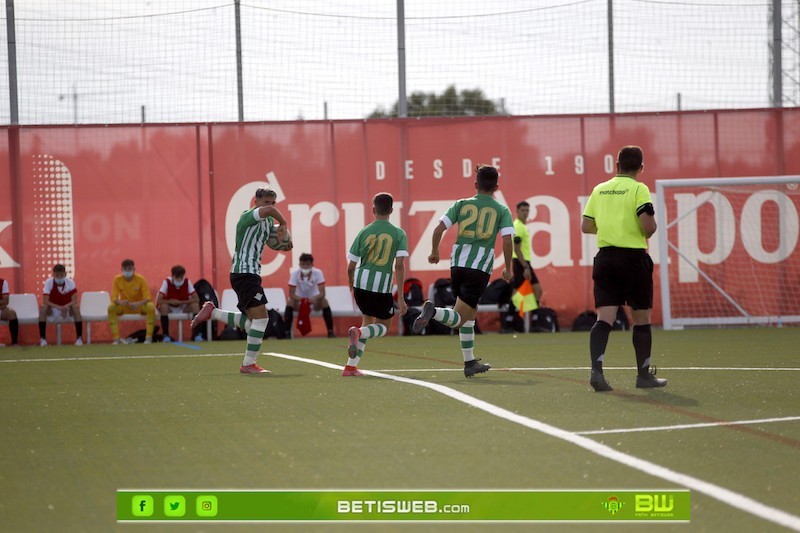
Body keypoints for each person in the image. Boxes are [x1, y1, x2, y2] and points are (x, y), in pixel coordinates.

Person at [412, 165, 514, 377]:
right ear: (497, 187)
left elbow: (439, 228)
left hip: (457, 265)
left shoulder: (461, 204)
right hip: (478, 268)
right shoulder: (501, 210)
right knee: (459, 317)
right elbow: (506, 241)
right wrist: (508, 267)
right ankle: (434, 312)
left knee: (471, 312)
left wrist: (434, 251)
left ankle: (469, 362)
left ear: (476, 185)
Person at [581, 145, 666, 391]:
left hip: (606, 258)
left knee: (604, 318)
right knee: (640, 319)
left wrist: (610, 228)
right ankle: (643, 376)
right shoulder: (639, 189)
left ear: (615, 165)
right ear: (641, 167)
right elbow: (648, 227)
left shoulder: (600, 189)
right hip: (633, 260)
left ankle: (596, 371)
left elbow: (586, 226)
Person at [191, 187, 291, 373]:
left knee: (254, 324)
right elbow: (269, 213)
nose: (269, 206)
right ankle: (248, 364)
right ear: (256, 202)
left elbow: (278, 243)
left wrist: (285, 242)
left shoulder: (268, 222)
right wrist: (283, 222)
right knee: (262, 320)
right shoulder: (248, 216)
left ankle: (213, 312)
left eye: (273, 203)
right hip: (244, 273)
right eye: (266, 202)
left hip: (249, 274)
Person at [343, 192, 408, 376]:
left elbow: (351, 266)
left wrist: (351, 285)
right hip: (381, 288)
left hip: (361, 285)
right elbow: (400, 266)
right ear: (391, 210)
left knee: (367, 323)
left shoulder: (364, 231)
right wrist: (401, 298)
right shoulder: (398, 233)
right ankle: (358, 335)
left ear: (373, 209)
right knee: (383, 328)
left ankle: (350, 367)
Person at [502, 200, 544, 332]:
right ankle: (509, 324)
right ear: (517, 211)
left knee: (533, 291)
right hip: (521, 263)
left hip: (524, 262)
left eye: (527, 210)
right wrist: (525, 267)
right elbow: (517, 248)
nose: (525, 213)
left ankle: (531, 322)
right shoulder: (518, 227)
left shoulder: (522, 226)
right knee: (525, 292)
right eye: (523, 210)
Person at [284, 253, 335, 338]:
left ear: (312, 265)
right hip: (299, 301)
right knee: (289, 302)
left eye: (307, 264)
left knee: (324, 301)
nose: (305, 267)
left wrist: (313, 299)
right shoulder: (294, 274)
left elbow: (322, 293)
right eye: (303, 264)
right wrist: (303, 300)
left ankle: (330, 332)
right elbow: (291, 294)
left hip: (314, 301)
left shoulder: (318, 273)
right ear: (299, 264)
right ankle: (287, 333)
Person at [108, 258, 156, 345]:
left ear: (134, 269)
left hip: (139, 307)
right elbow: (114, 297)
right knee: (111, 307)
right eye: (125, 269)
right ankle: (116, 339)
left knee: (151, 307)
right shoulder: (117, 279)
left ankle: (148, 337)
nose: (127, 271)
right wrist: (120, 302)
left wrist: (138, 304)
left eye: (129, 269)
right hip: (125, 307)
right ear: (121, 269)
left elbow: (148, 297)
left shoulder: (140, 279)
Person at [38, 264, 83, 346]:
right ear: (53, 275)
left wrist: (65, 307)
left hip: (67, 309)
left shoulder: (70, 283)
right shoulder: (49, 282)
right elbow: (45, 300)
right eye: (57, 275)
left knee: (76, 308)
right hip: (53, 309)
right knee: (44, 308)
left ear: (65, 274)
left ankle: (79, 338)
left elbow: (74, 300)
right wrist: (58, 307)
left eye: (61, 275)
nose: (59, 277)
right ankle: (43, 339)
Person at [156, 265, 200, 343]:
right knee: (163, 307)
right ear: (172, 276)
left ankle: (196, 334)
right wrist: (170, 301)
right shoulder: (167, 282)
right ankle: (166, 335)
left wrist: (182, 302)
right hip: (170, 308)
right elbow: (158, 300)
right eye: (177, 278)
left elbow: (196, 299)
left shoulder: (187, 281)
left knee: (195, 306)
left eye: (181, 277)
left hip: (183, 307)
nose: (179, 280)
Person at [0, 277, 19, 347]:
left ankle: (14, 343)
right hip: (1, 306)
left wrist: (2, 304)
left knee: (12, 313)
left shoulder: (3, 282)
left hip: (1, 308)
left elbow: (6, 301)